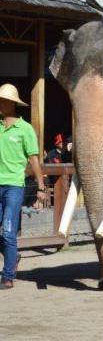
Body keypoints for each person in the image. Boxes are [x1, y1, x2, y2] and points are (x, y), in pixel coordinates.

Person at [0, 84, 46, 289]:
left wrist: (41, 186)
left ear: (12, 104)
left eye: (3, 100)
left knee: (9, 231)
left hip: (14, 186)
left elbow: (34, 159)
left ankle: (8, 276)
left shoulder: (25, 129)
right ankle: (13, 256)